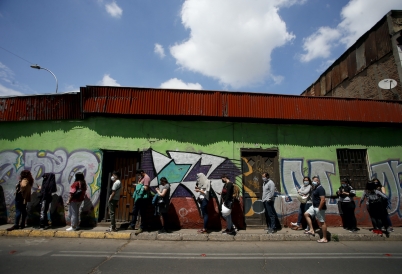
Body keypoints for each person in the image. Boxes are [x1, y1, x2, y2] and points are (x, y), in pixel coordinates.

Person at [304, 176, 328, 243]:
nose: (313, 182)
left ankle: (324, 238)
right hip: (314, 206)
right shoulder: (315, 188)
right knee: (306, 214)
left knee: (322, 222)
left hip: (319, 208)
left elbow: (323, 200)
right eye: (313, 180)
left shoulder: (320, 189)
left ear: (318, 181)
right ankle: (311, 229)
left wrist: (319, 209)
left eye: (315, 180)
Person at [130, 169, 151, 235]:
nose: (138, 175)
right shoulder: (142, 178)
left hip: (143, 198)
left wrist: (138, 186)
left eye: (139, 174)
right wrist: (137, 184)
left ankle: (142, 226)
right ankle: (132, 225)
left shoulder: (146, 178)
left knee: (142, 212)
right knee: (135, 211)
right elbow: (141, 185)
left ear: (142, 172)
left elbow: (146, 188)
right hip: (139, 197)